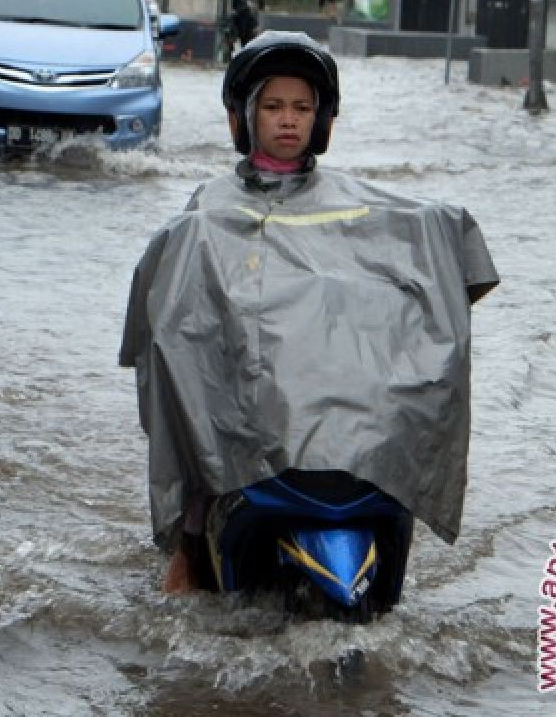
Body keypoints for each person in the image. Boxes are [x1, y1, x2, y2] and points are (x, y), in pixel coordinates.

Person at [120, 31, 498, 595]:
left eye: (302, 108)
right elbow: (174, 304)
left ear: (322, 120)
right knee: (192, 405)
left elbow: (425, 235)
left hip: (331, 407)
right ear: (242, 117)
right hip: (250, 385)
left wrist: (452, 266)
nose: (288, 120)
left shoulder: (362, 204)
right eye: (273, 107)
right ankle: (190, 545)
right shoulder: (208, 209)